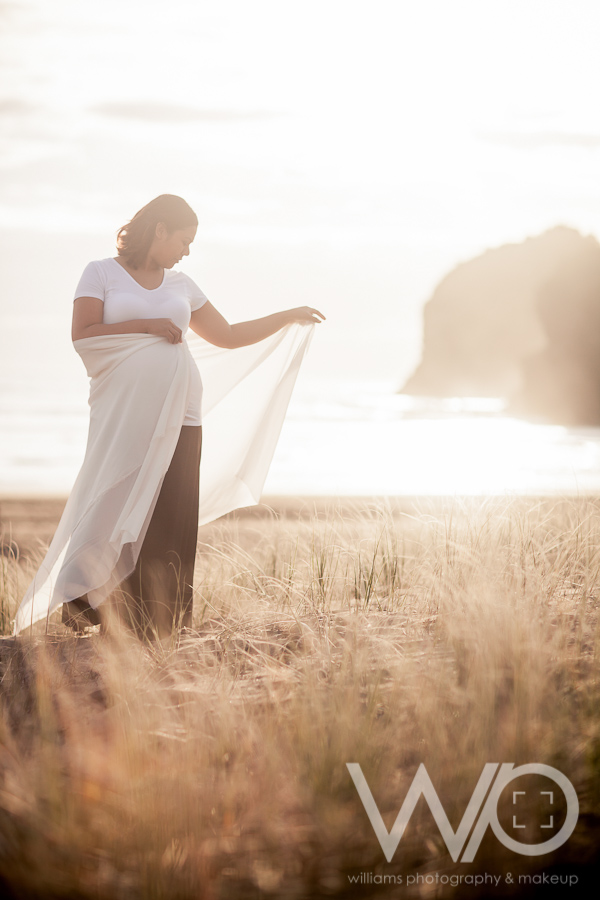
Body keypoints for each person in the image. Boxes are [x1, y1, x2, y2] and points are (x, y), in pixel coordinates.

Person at [18, 194, 324, 642]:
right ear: (159, 229)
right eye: (184, 240)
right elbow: (83, 336)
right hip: (124, 417)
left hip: (182, 415)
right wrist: (147, 326)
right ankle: (98, 613)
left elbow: (228, 335)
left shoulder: (182, 284)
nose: (187, 251)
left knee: (170, 515)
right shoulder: (100, 273)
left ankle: (160, 623)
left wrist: (287, 316)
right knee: (112, 505)